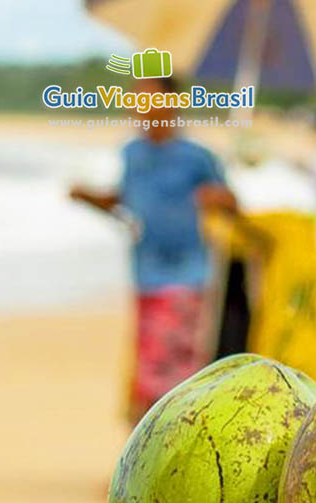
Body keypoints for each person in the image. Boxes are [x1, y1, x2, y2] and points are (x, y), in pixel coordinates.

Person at [70, 76, 237, 424]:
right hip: (146, 274)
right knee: (150, 366)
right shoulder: (132, 153)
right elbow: (126, 202)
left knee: (167, 370)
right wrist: (88, 198)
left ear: (171, 103)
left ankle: (158, 458)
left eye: (149, 97)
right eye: (136, 98)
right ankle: (147, 460)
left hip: (186, 276)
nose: (140, 106)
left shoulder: (196, 158)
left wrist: (219, 198)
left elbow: (232, 205)